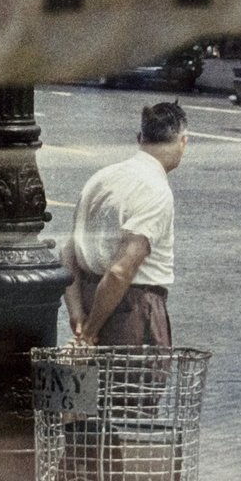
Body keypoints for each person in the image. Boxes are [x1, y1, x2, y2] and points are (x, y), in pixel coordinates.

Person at [62, 101, 188, 348]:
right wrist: (90, 332)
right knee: (135, 386)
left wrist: (78, 316)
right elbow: (121, 271)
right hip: (134, 312)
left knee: (95, 386)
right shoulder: (155, 189)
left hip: (89, 302)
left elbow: (68, 253)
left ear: (140, 137)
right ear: (183, 141)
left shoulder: (101, 179)